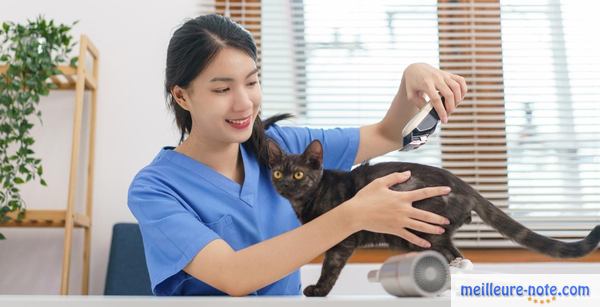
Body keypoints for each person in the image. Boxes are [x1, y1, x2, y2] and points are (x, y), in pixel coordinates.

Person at [128, 13, 467, 296]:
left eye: (251, 82)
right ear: (182, 96)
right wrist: (354, 215)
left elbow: (387, 133)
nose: (244, 102)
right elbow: (233, 275)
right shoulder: (155, 189)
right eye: (222, 89)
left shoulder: (283, 149)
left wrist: (413, 77)